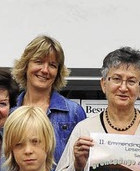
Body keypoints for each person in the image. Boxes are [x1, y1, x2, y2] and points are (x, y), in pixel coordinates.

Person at [12, 34, 86, 162]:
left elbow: (82, 163)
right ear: (25, 65)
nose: (45, 70)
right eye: (39, 62)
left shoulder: (73, 112)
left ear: (58, 72)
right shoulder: (10, 110)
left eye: (52, 65)